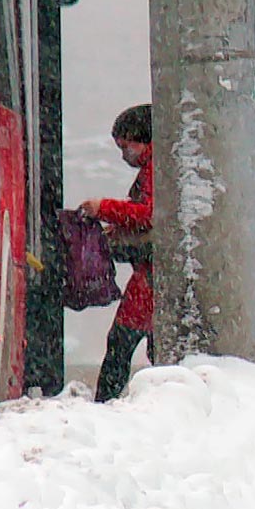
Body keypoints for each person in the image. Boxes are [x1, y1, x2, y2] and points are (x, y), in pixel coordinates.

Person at [79, 104, 154, 402]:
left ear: (143, 141)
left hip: (150, 277)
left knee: (122, 341)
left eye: (126, 146)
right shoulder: (158, 166)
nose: (124, 155)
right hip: (150, 274)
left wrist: (104, 208)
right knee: (144, 343)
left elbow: (149, 213)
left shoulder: (154, 169)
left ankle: (106, 401)